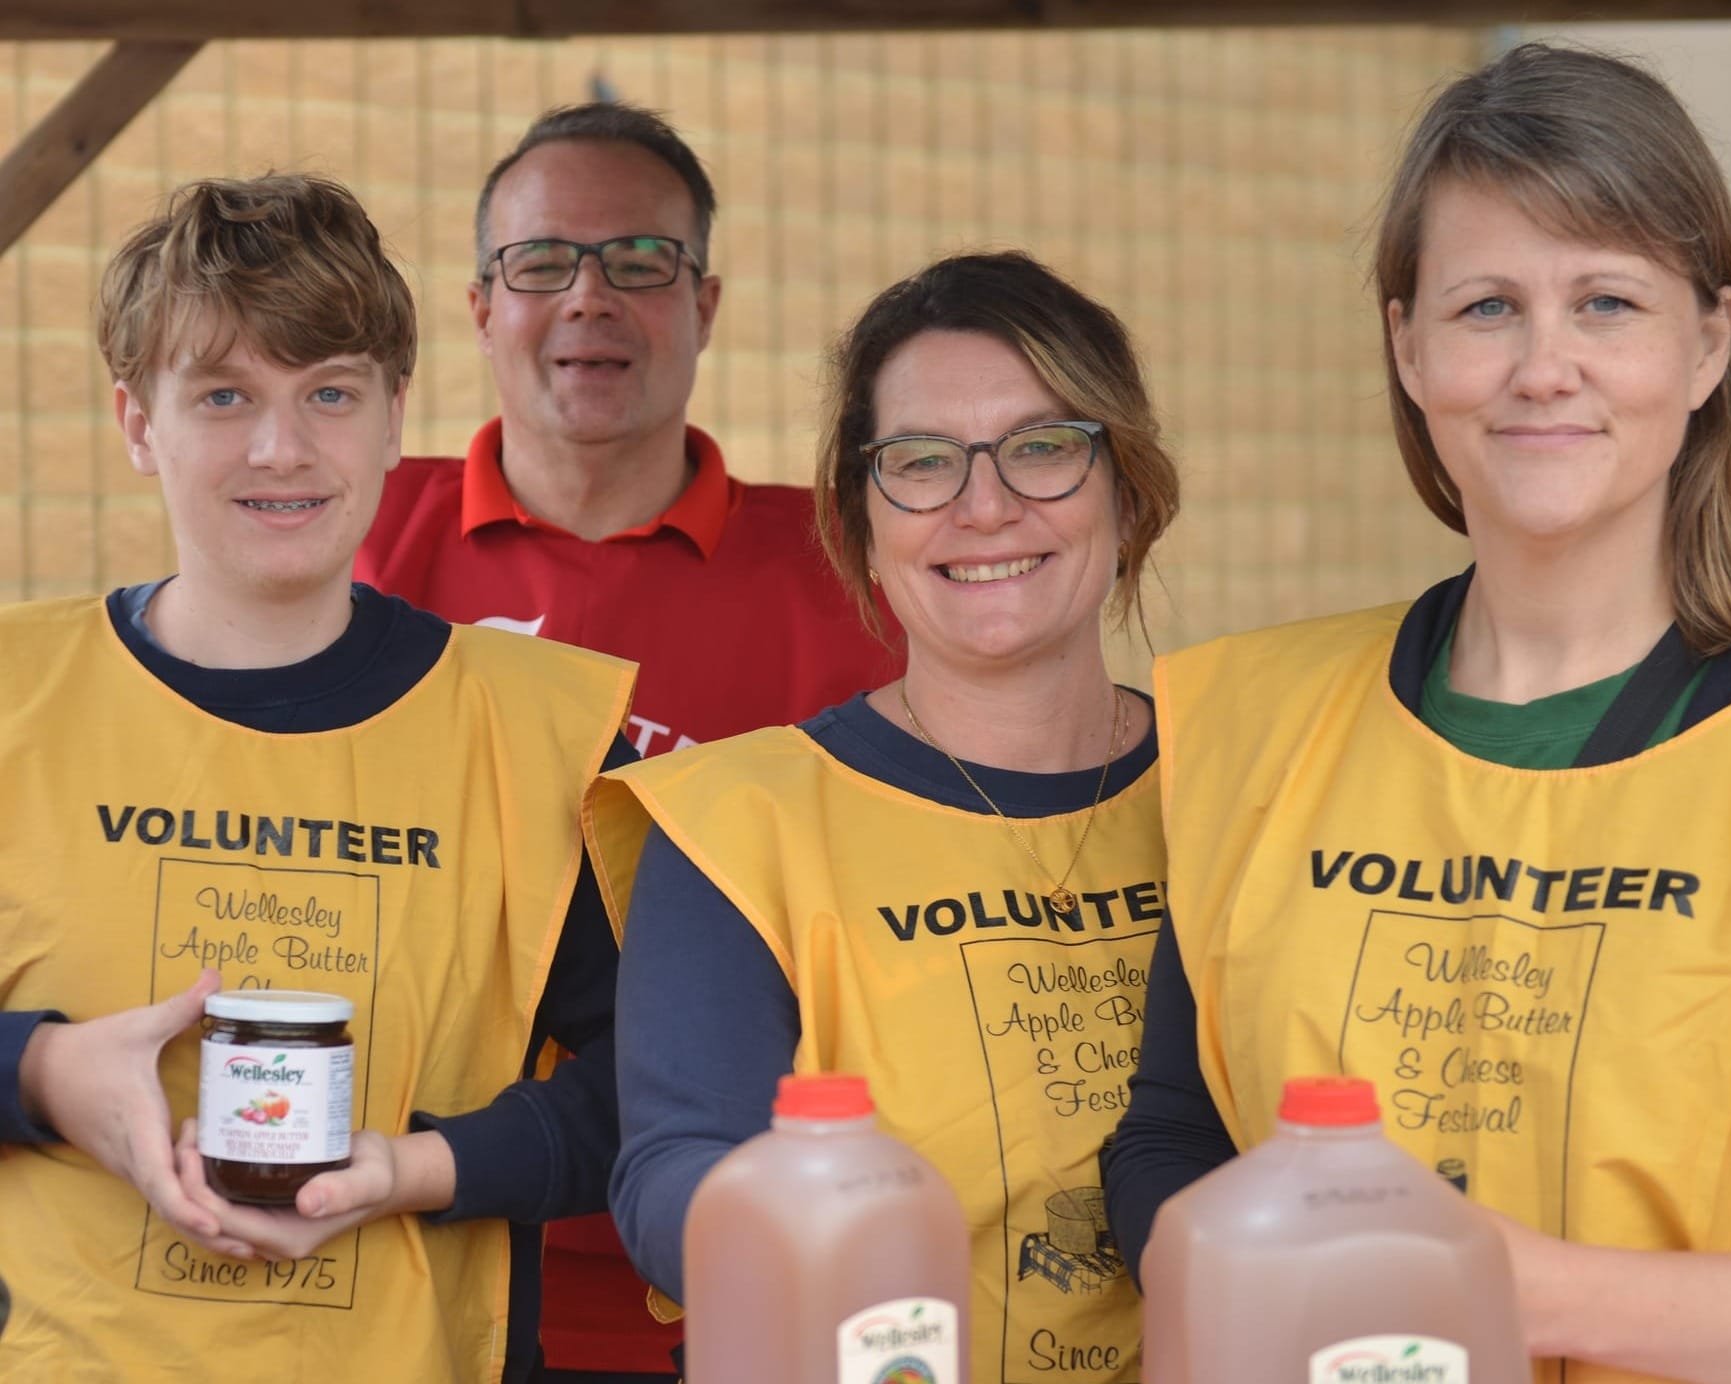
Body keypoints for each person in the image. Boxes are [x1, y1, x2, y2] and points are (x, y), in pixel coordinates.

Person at [1104, 43, 1731, 1384]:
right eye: (1485, 309)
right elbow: (1168, 1140)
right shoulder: (1249, 722)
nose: (1543, 366)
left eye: (1606, 303)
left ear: (1711, 343)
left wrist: (1500, 1292)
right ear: (1406, 344)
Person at [0, 174, 640, 1383]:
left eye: (329, 392)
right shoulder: (11, 695)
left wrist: (416, 1171)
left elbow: (664, 1082)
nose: (280, 447)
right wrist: (39, 1071)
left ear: (398, 415)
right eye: (224, 393)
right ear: (139, 423)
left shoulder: (543, 731)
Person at [355, 104, 900, 1378]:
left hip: (720, 1271)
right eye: (542, 262)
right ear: (481, 308)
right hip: (402, 1244)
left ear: (704, 302)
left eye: (638, 262)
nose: (589, 297)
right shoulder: (358, 535)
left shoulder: (849, 572)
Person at [589, 251, 1180, 1384]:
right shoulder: (741, 823)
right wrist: (794, 1236)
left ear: (1130, 487)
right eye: (920, 462)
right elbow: (672, 1168)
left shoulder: (1246, 788)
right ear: (859, 521)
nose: (986, 504)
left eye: (1044, 447)